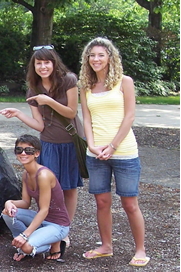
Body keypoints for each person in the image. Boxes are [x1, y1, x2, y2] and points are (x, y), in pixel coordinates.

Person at [0, 45, 82, 247]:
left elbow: (71, 112)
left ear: (54, 63)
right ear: (33, 66)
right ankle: (50, 228)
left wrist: (48, 101)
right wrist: (18, 113)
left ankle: (63, 230)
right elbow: (39, 124)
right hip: (49, 142)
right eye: (39, 63)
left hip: (70, 141)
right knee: (51, 187)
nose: (43, 67)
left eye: (47, 62)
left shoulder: (68, 80)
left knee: (68, 188)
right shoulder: (33, 89)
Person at [78, 37, 149, 267]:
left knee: (130, 204)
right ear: (87, 59)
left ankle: (140, 250)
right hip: (96, 154)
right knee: (102, 202)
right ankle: (106, 246)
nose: (96, 59)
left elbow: (129, 116)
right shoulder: (86, 86)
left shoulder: (124, 82)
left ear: (110, 57)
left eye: (100, 55)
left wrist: (113, 146)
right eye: (92, 55)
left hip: (124, 152)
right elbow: (86, 119)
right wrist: (90, 144)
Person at [2, 134, 70, 262]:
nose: (23, 153)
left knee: (27, 247)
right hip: (43, 221)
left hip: (58, 225)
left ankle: (50, 243)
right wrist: (9, 202)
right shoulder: (26, 174)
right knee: (7, 213)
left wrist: (24, 235)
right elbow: (26, 203)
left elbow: (44, 210)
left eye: (28, 150)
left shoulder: (43, 175)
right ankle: (24, 242)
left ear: (36, 154)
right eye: (19, 150)